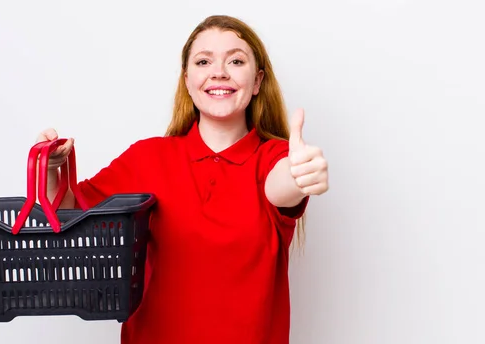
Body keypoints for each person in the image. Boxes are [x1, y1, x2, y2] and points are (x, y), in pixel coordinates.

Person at [36, 14, 328, 344]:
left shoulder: (273, 157)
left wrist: (298, 172)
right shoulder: (148, 158)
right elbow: (67, 215)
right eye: (204, 61)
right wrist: (49, 170)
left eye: (235, 60)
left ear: (258, 81)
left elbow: (281, 187)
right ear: (188, 80)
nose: (219, 71)